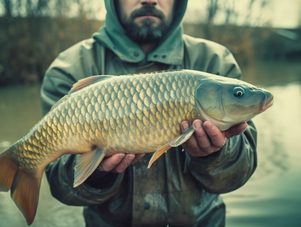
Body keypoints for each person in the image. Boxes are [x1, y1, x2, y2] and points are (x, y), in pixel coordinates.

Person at [40, 0, 257, 226]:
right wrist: (97, 172)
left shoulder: (215, 61)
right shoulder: (68, 68)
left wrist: (216, 154)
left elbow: (241, 171)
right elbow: (61, 188)